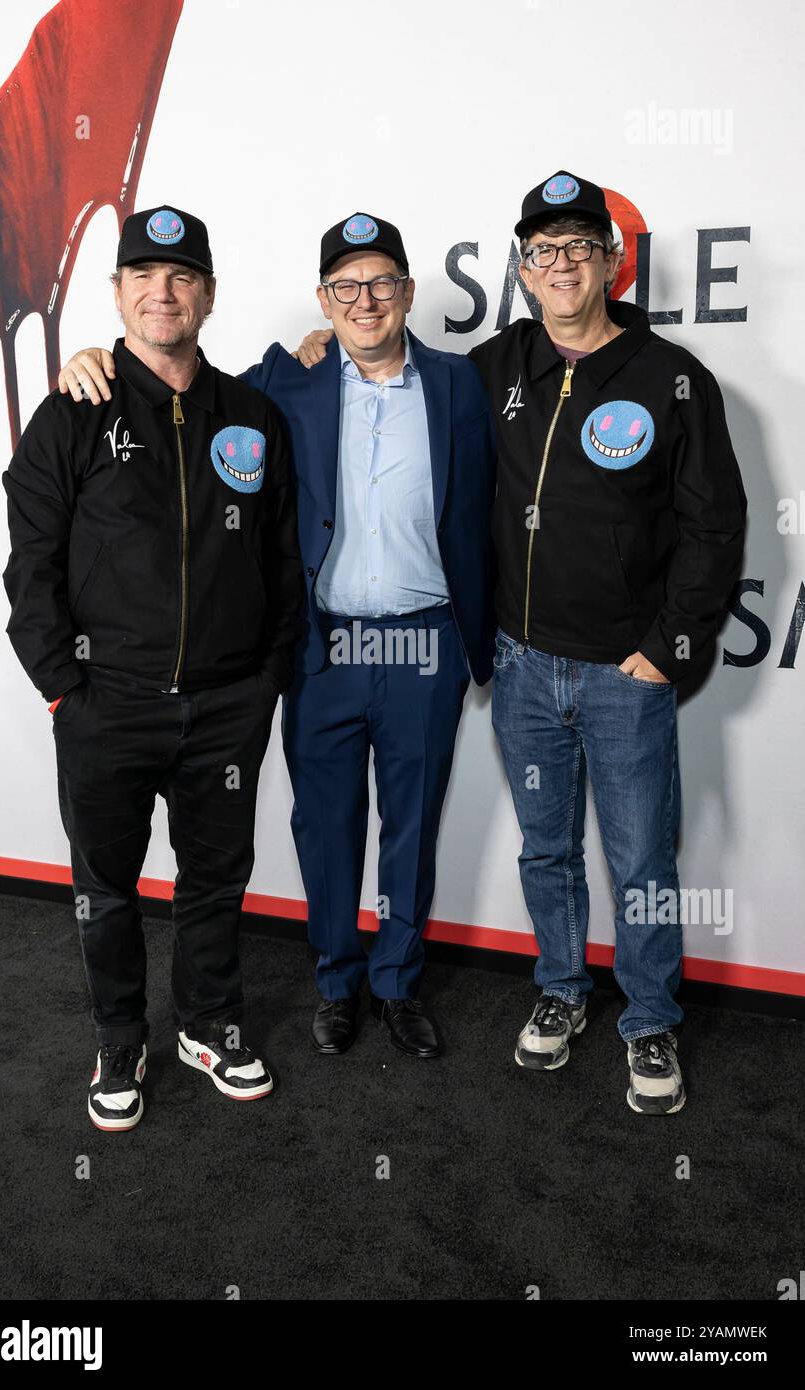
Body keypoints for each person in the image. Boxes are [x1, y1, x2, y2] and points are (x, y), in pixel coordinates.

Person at [297, 172, 747, 1114]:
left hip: (626, 671)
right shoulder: (492, 368)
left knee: (642, 859)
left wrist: (668, 647)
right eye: (542, 253)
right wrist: (312, 348)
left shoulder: (673, 378)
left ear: (612, 263)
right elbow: (382, 365)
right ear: (523, 271)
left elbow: (714, 526)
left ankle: (652, 1015)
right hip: (521, 664)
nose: (560, 266)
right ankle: (559, 989)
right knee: (547, 852)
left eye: (580, 248)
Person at [56, 213, 497, 1061]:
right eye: (344, 287)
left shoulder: (462, 384)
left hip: (423, 644)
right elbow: (171, 368)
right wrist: (89, 357)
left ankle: (398, 982)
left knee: (412, 823)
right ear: (322, 301)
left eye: (380, 284)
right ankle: (337, 981)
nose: (363, 301)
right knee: (324, 825)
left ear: (407, 293)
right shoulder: (280, 384)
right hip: (323, 646)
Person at [3, 205, 304, 1131]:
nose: (161, 292)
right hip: (107, 705)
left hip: (225, 704)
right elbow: (31, 565)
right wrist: (65, 685)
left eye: (181, 277)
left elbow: (281, 556)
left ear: (207, 295)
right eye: (143, 276)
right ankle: (120, 1037)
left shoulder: (252, 415)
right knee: (107, 888)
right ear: (118, 293)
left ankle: (209, 1024)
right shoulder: (72, 412)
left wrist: (267, 679)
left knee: (214, 880)